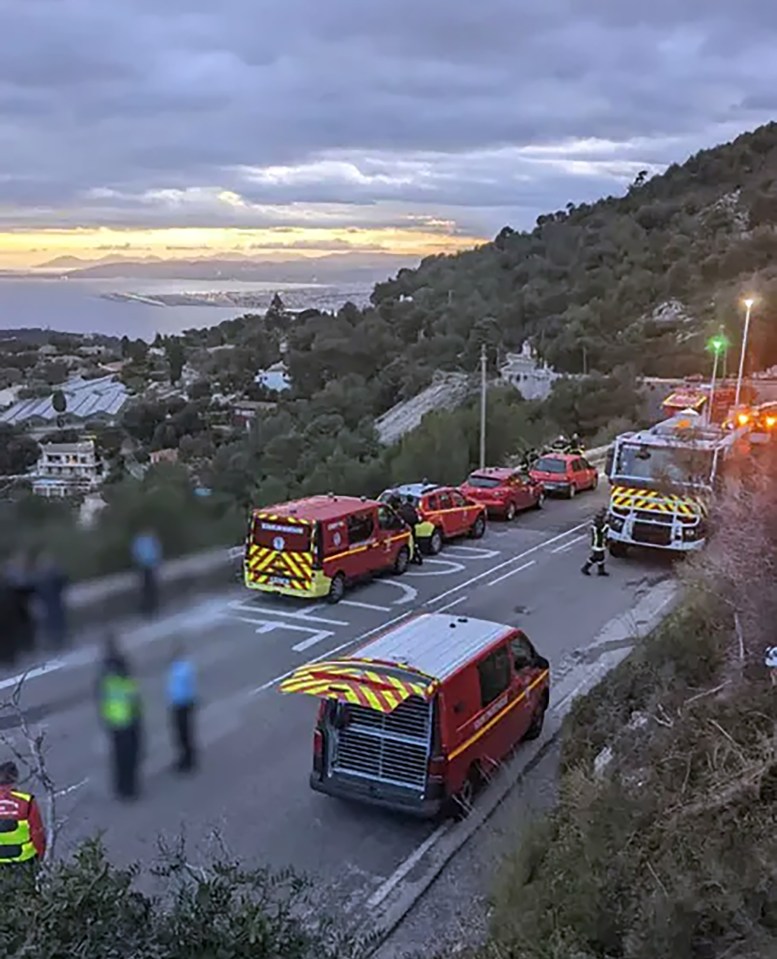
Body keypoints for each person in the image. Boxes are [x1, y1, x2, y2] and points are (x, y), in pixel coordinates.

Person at [97, 635, 143, 800]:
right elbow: (133, 698)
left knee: (120, 756)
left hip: (116, 722)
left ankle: (123, 786)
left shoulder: (105, 677)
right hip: (127, 720)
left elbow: (102, 700)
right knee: (129, 755)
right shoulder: (121, 678)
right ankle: (128, 787)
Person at [0, 761, 46, 866]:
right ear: (15, 778)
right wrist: (42, 855)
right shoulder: (26, 801)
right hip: (24, 860)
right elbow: (37, 832)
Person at [167, 643, 197, 773]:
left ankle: (187, 760)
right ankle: (186, 758)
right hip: (178, 704)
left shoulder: (183, 668)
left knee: (184, 734)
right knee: (181, 734)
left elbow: (186, 687)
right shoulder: (177, 668)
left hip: (182, 704)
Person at [33, 551, 68, 651]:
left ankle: (61, 643)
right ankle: (56, 644)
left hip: (56, 606)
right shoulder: (39, 578)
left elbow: (63, 583)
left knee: (60, 626)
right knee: (52, 628)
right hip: (48, 608)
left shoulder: (54, 575)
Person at [131, 529, 162, 618]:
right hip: (145, 567)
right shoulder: (139, 541)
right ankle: (149, 608)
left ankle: (153, 607)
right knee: (147, 588)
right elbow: (136, 554)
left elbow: (157, 551)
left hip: (150, 566)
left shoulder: (149, 540)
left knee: (152, 588)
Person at [395, 495, 424, 566]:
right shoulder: (412, 509)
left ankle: (412, 556)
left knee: (406, 544)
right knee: (414, 543)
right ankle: (416, 555)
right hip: (412, 528)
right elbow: (416, 519)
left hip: (404, 528)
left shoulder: (402, 508)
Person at [581, 509, 610, 577]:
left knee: (601, 557)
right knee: (596, 557)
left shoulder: (596, 524)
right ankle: (585, 568)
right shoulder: (599, 526)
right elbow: (604, 530)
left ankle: (601, 571)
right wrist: (608, 524)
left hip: (600, 543)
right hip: (597, 544)